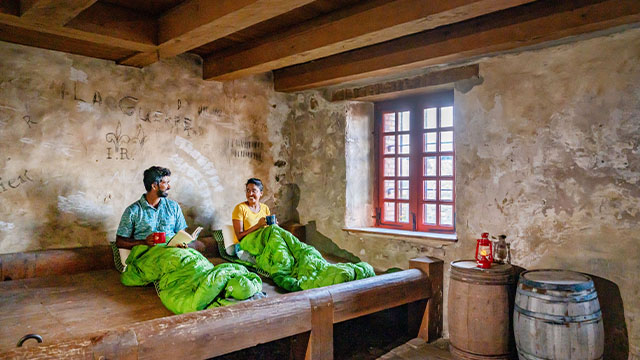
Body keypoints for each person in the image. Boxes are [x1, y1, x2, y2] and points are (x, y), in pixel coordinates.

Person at [115, 166, 188, 250]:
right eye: (166, 183)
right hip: (147, 254)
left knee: (198, 262)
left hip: (174, 252)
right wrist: (144, 242)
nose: (169, 187)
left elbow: (182, 234)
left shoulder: (173, 207)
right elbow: (119, 242)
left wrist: (182, 243)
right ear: (154, 186)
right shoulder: (133, 211)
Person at [232, 178, 274, 262]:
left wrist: (274, 225)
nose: (250, 194)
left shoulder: (265, 208)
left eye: (254, 191)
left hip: (262, 242)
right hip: (246, 244)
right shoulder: (240, 208)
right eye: (248, 191)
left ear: (261, 193)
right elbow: (239, 237)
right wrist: (258, 226)